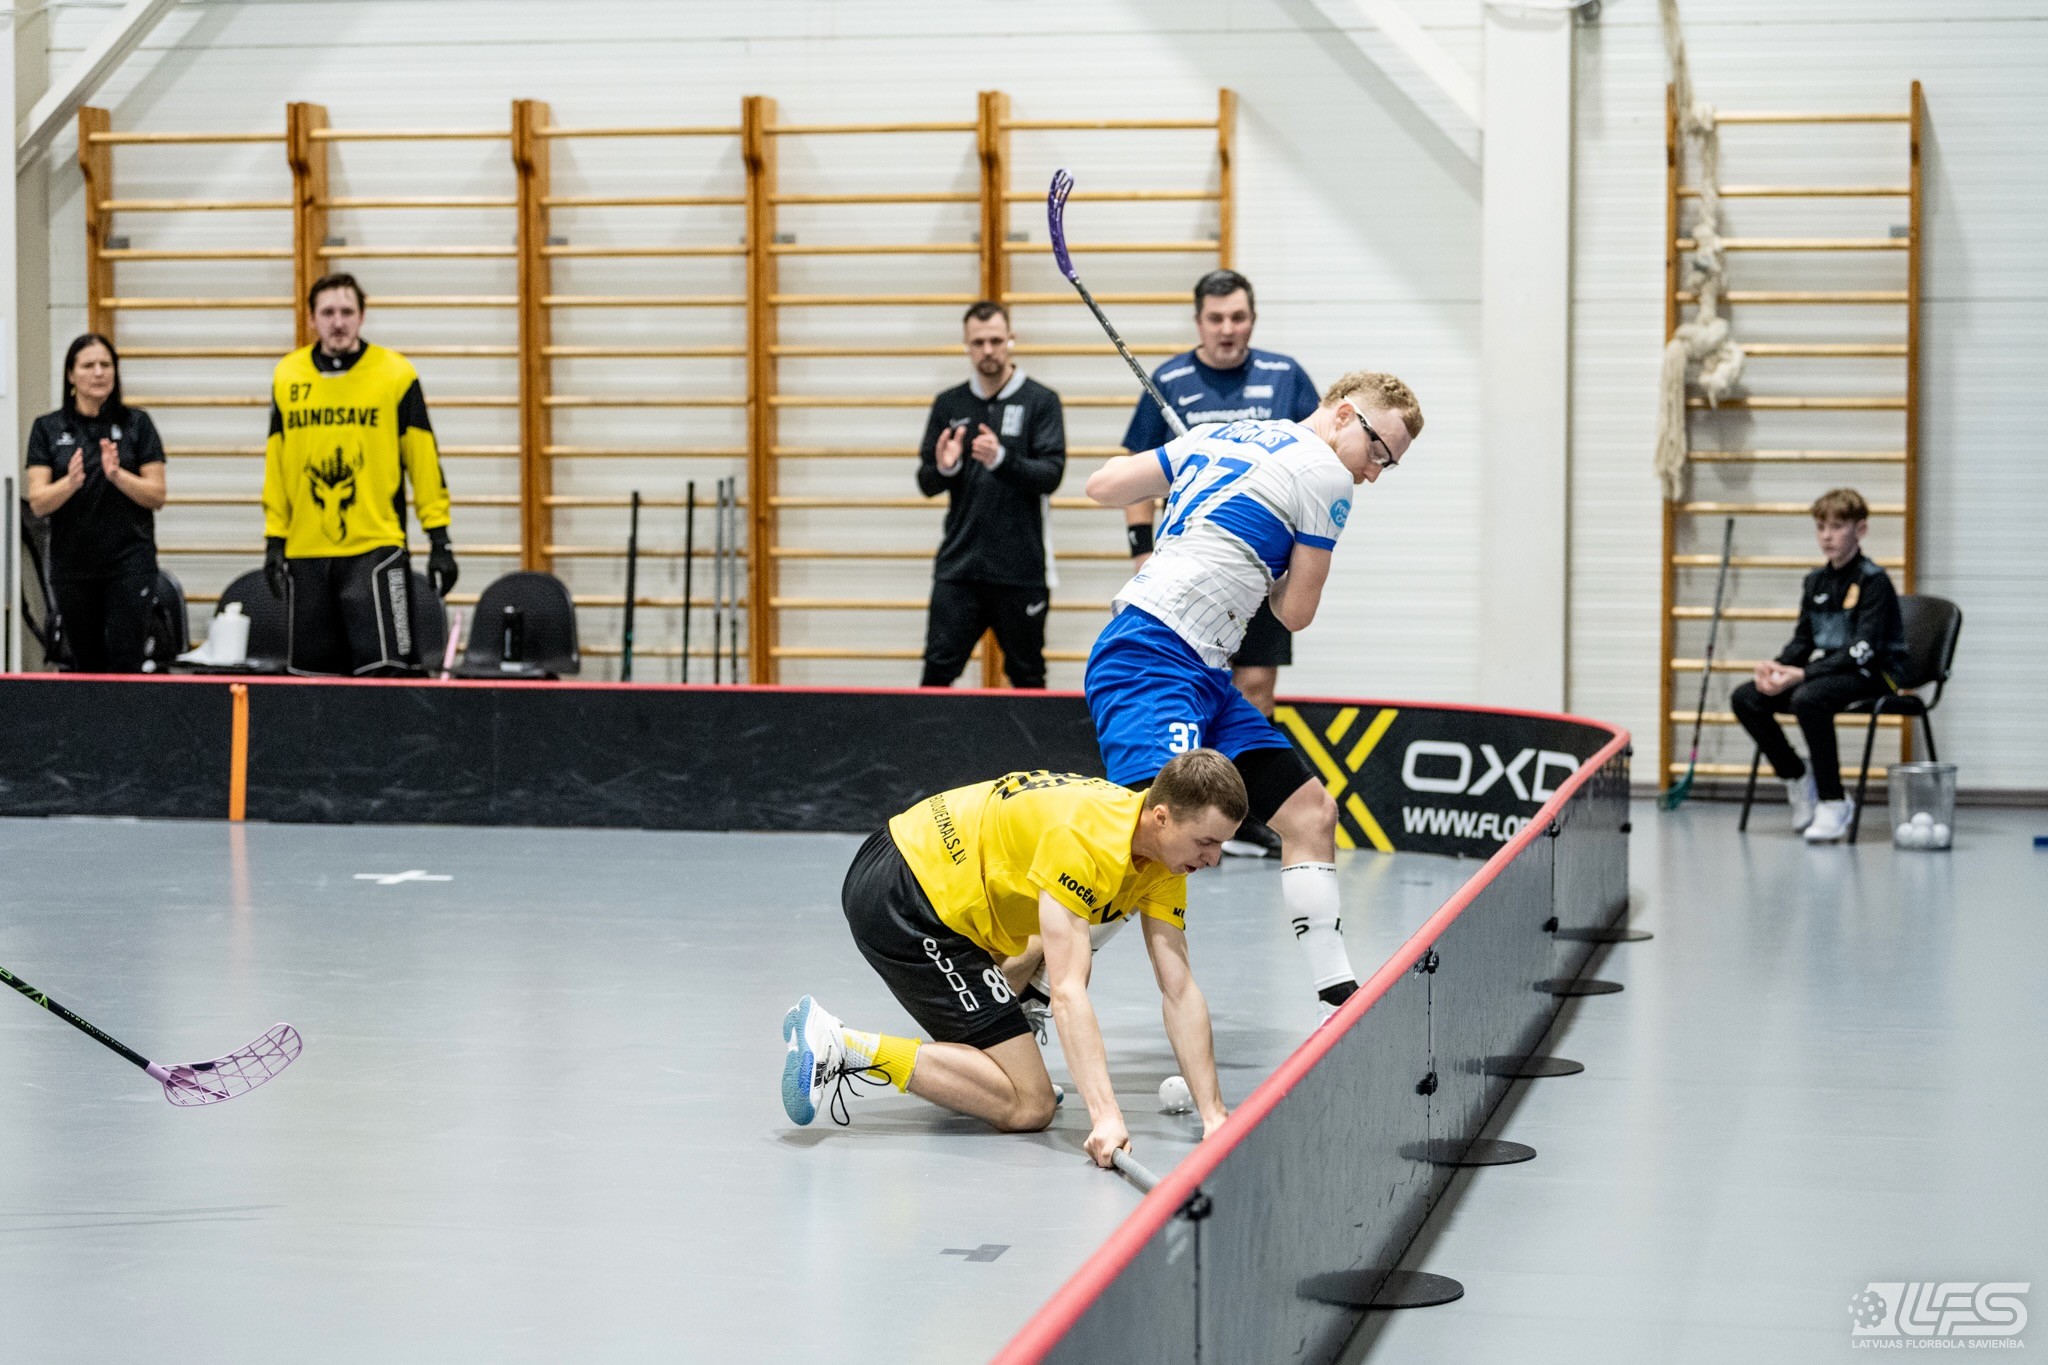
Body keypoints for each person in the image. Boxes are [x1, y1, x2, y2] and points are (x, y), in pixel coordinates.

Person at [1083, 371, 1422, 1018]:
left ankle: (1338, 997)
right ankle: (1029, 982)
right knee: (1151, 842)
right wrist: (1273, 556)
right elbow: (1295, 612)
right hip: (1151, 658)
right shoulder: (1325, 477)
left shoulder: (1220, 435)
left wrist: (1188, 468)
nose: (1374, 473)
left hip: (1204, 669)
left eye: (1389, 464)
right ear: (1344, 416)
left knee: (1309, 812)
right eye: (1378, 451)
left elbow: (1104, 485)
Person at [781, 751, 1243, 1168]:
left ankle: (1002, 1064)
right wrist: (1105, 1117)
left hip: (938, 877)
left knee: (1035, 975)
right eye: (1206, 842)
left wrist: (1215, 1116)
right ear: (1161, 817)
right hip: (908, 895)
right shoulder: (1084, 837)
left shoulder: (1163, 858)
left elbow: (1179, 988)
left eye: (1221, 844)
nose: (1214, 858)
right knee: (1029, 1105)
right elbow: (1067, 990)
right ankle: (842, 1045)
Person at [1119, 270, 1320, 855]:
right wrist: (1141, 550)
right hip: (1189, 574)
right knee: (1188, 690)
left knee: (1254, 684)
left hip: (1261, 568)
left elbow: (1317, 462)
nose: (1228, 329)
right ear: (1199, 321)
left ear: (1252, 319)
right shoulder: (1171, 380)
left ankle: (1244, 816)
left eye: (1238, 317)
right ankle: (1191, 817)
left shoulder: (1285, 376)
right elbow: (1137, 470)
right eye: (1216, 319)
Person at [262, 272, 457, 676]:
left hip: (376, 549)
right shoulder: (287, 376)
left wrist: (440, 539)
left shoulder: (395, 374)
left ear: (362, 317)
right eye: (327, 312)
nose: (338, 322)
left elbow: (423, 459)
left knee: (385, 677)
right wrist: (274, 540)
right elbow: (277, 465)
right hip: (307, 552)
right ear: (311, 318)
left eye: (347, 312)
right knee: (313, 684)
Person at [1730, 488, 1907, 844]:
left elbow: (1863, 649)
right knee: (1747, 697)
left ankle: (1833, 800)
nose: (1827, 536)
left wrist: (1803, 674)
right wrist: (1778, 669)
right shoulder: (1815, 582)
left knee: (1808, 698)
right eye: (1821, 527)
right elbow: (1803, 641)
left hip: (1876, 674)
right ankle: (1797, 777)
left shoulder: (1874, 581)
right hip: (1831, 672)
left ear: (1860, 530)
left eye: (1837, 527)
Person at [915, 301, 1066, 689]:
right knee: (936, 674)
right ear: (966, 344)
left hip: (1021, 569)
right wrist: (946, 468)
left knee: (1027, 676)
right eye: (978, 342)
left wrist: (1001, 459)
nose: (988, 350)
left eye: (996, 341)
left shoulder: (1040, 400)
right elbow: (926, 482)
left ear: (1011, 340)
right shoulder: (949, 404)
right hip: (959, 567)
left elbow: (1051, 475)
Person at [22, 334, 168, 672]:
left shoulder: (138, 424)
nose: (99, 372)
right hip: (72, 567)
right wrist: (70, 483)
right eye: (88, 365)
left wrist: (117, 476)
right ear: (71, 375)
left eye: (106, 365)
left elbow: (157, 495)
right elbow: (39, 503)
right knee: (86, 664)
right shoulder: (47, 428)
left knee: (125, 659)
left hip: (129, 563)